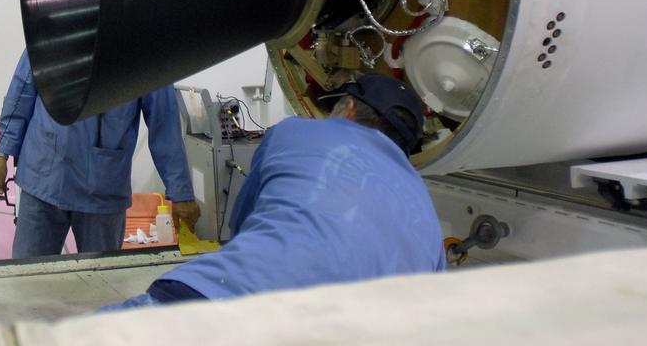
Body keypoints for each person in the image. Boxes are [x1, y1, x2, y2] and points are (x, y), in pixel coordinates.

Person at [102, 73, 446, 309]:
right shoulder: (425, 208)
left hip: (220, 301)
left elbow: (241, 223)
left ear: (350, 108)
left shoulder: (294, 132)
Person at [0, 49, 201, 258]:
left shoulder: (146, 46)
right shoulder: (51, 31)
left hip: (101, 188)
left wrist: (181, 193)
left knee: (102, 283)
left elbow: (164, 124)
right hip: (43, 176)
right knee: (28, 279)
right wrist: (2, 153)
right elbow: (22, 92)